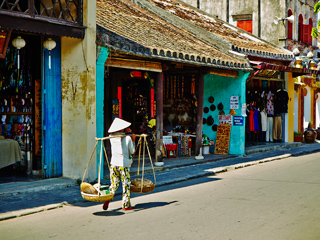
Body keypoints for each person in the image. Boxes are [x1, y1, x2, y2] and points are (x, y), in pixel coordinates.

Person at [103, 117, 136, 211]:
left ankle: (108, 198)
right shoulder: (128, 139)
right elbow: (132, 151)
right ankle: (126, 205)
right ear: (122, 129)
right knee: (125, 185)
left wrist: (128, 133)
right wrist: (133, 140)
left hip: (114, 164)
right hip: (124, 165)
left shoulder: (111, 138)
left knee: (114, 184)